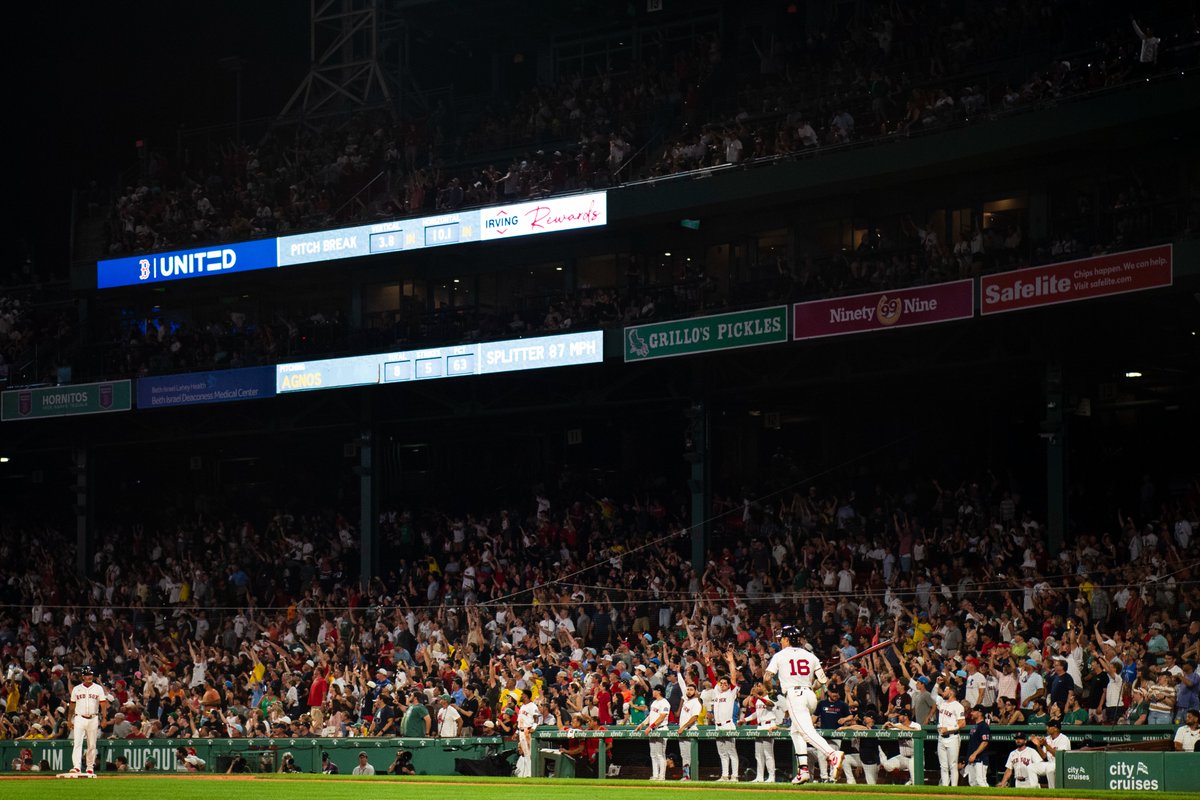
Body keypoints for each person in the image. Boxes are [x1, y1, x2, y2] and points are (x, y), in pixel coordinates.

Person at [764, 626, 842, 785]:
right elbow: (822, 681)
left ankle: (832, 754)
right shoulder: (810, 655)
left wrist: (770, 689)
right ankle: (804, 770)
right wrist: (810, 688)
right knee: (796, 732)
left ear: (786, 639)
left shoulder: (780, 655)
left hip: (794, 695)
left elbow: (766, 677)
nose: (780, 641)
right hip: (809, 696)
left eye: (781, 639)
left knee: (806, 732)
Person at [66, 666, 107, 776]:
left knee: (92, 744)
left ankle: (90, 767)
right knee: (77, 743)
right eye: (87, 675)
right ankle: (77, 767)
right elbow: (72, 706)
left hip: (93, 718)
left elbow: (103, 704)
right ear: (82, 677)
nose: (89, 677)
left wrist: (104, 718)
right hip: (79, 717)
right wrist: (69, 720)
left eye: (90, 674)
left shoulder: (98, 688)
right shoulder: (76, 689)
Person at [632, 684, 670, 780]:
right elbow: (650, 716)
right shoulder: (654, 703)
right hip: (653, 730)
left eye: (654, 690)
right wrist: (642, 725)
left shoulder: (665, 703)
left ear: (659, 691)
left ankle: (662, 777)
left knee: (660, 754)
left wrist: (650, 726)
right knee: (653, 754)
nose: (653, 692)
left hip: (661, 729)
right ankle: (655, 775)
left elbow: (661, 718)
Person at [742, 682, 778, 783]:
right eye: (756, 686)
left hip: (769, 725)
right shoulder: (758, 700)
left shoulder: (770, 696)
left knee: (768, 753)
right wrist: (745, 720)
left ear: (765, 688)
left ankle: (771, 777)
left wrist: (758, 697)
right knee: (758, 754)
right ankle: (759, 777)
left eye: (759, 686)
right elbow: (756, 714)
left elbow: (770, 704)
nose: (757, 687)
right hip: (760, 726)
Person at [710, 668, 740, 782]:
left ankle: (735, 776)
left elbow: (733, 678)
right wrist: (708, 666)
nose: (722, 685)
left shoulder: (731, 693)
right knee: (722, 752)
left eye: (725, 684)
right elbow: (713, 680)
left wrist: (731, 661)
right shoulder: (717, 693)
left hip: (728, 724)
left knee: (731, 751)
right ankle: (725, 775)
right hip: (718, 725)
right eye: (721, 683)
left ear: (728, 686)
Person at [837, 707, 881, 785]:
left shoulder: (875, 728)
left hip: (871, 761)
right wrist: (853, 723)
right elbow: (858, 728)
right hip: (862, 757)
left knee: (872, 786)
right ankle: (851, 782)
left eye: (866, 716)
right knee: (844, 758)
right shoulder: (863, 727)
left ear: (871, 719)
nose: (864, 717)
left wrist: (845, 727)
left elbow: (861, 728)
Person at [935, 683, 965, 785]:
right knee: (943, 766)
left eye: (946, 690)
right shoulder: (943, 703)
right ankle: (945, 788)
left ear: (951, 692)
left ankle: (954, 790)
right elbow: (933, 696)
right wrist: (937, 683)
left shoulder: (958, 706)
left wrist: (948, 729)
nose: (943, 692)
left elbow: (962, 723)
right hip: (941, 738)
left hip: (952, 737)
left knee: (953, 765)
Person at [880, 707, 920, 784]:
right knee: (887, 765)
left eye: (900, 715)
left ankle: (913, 784)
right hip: (903, 757)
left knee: (915, 781)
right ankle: (902, 777)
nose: (898, 717)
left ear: (906, 717)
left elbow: (913, 730)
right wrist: (884, 726)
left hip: (915, 757)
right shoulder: (898, 725)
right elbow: (883, 733)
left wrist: (895, 726)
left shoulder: (916, 725)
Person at [675, 672, 701, 780]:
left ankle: (694, 775)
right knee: (684, 755)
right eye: (688, 689)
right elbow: (682, 684)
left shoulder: (696, 703)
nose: (688, 691)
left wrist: (683, 727)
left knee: (691, 756)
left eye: (691, 690)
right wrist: (678, 672)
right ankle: (686, 776)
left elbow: (694, 718)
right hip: (683, 731)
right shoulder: (686, 700)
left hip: (690, 730)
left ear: (695, 692)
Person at [1030, 719, 1070, 787]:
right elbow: (1044, 756)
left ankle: (1052, 790)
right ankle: (1035, 790)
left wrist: (1046, 745)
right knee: (1031, 767)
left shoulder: (1064, 739)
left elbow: (1059, 755)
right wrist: (1038, 746)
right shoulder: (1047, 738)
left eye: (1049, 726)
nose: (1047, 728)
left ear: (1055, 729)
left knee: (1050, 768)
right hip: (1050, 763)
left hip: (1060, 764)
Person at [961, 706, 991, 787]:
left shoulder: (984, 726)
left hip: (980, 759)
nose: (971, 713)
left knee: (981, 782)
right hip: (972, 760)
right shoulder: (975, 726)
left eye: (974, 711)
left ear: (980, 713)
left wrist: (974, 754)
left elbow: (984, 742)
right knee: (973, 783)